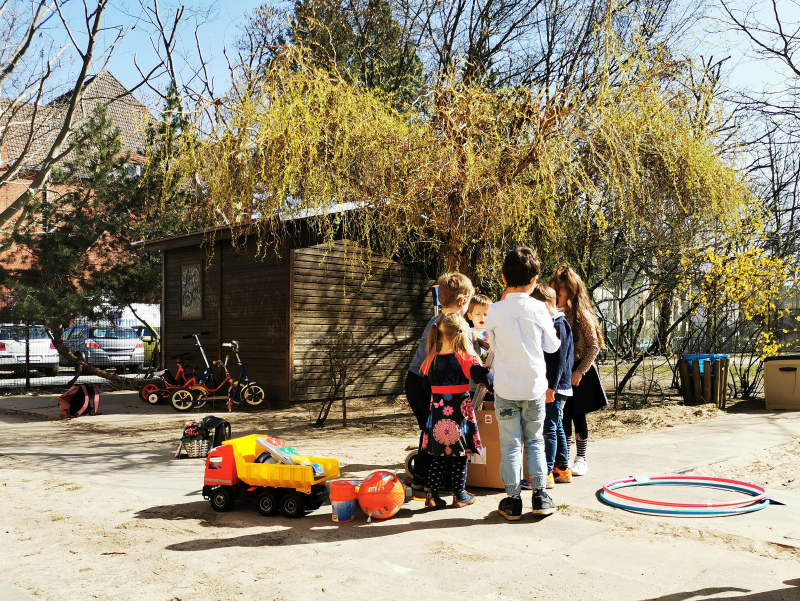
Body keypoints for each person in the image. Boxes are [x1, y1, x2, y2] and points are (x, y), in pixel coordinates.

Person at [485, 247, 561, 520]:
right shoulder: (540, 308)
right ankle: (540, 495)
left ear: (503, 278)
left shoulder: (493, 310)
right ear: (535, 279)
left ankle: (512, 500)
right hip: (533, 388)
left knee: (510, 445)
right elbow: (552, 347)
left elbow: (493, 346)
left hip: (505, 388)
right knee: (535, 441)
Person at [405, 272, 475, 490]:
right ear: (463, 302)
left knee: (430, 429)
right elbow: (467, 354)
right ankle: (428, 479)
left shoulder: (435, 321)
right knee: (436, 432)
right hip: (430, 383)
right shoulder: (458, 325)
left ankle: (423, 477)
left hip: (415, 380)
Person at [419, 312, 492, 508]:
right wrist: (487, 371)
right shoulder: (466, 358)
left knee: (439, 455)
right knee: (460, 454)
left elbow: (426, 387)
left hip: (437, 415)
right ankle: (460, 494)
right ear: (462, 334)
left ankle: (432, 495)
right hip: (459, 414)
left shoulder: (430, 360)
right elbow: (487, 380)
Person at [549, 264, 606, 476]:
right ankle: (563, 459)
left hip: (579, 373)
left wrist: (579, 371)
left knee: (578, 416)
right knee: (562, 417)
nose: (555, 297)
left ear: (570, 291)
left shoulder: (582, 314)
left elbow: (594, 346)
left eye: (559, 293)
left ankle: (581, 458)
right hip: (563, 372)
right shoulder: (556, 314)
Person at [532, 283, 574, 487]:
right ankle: (563, 468)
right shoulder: (555, 323)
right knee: (556, 427)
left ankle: (547, 471)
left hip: (556, 386)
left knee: (548, 428)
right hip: (556, 385)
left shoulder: (558, 324)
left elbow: (558, 360)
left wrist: (551, 388)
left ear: (550, 304)